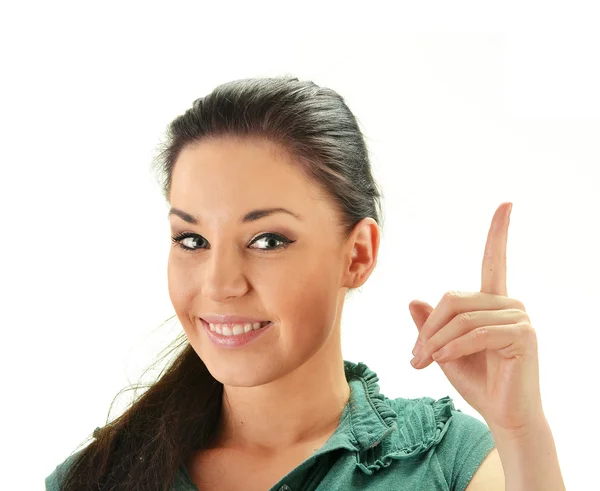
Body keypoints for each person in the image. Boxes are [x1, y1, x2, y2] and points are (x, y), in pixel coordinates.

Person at [45, 76, 564, 490]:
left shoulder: (449, 465)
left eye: (267, 240)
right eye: (192, 240)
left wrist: (521, 430)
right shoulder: (93, 478)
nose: (221, 284)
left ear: (357, 255)